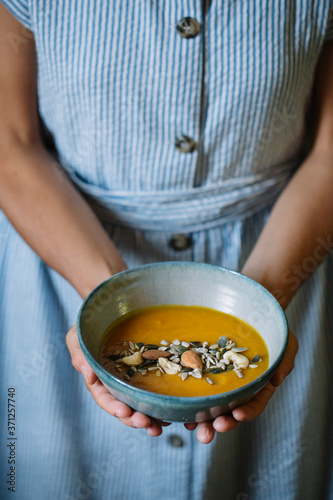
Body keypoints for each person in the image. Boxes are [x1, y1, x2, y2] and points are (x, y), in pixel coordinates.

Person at [0, 1, 332, 499]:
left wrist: (261, 304)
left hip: (282, 251)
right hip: (66, 254)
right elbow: (11, 142)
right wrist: (105, 302)